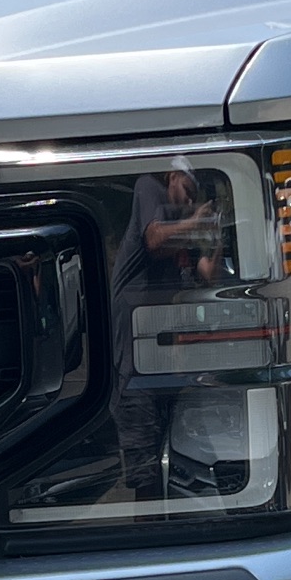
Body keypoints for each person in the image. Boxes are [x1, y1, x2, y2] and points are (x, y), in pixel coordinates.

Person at [109, 159, 224, 497]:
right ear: (172, 177)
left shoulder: (181, 227)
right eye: (186, 193)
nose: (188, 203)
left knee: (174, 473)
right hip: (135, 370)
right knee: (146, 482)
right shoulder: (150, 188)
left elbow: (207, 276)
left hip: (166, 368)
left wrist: (217, 239)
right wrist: (194, 222)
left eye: (193, 199)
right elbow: (154, 239)